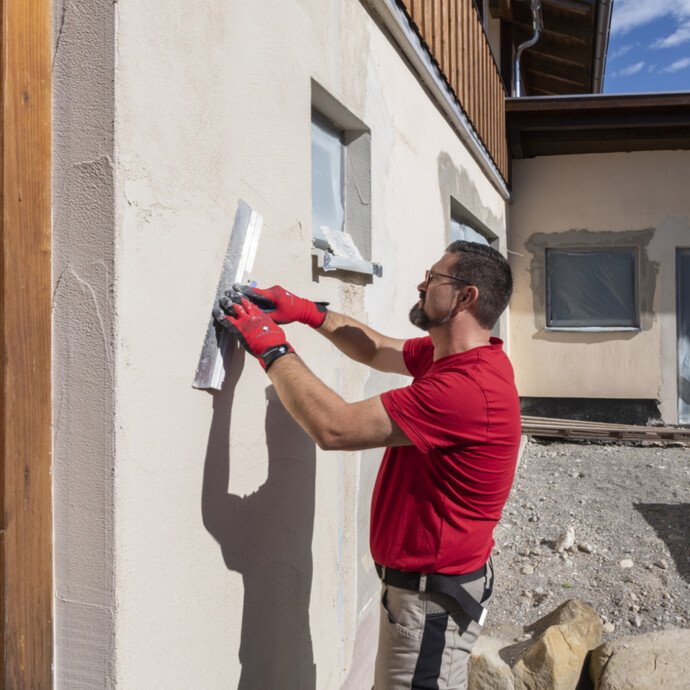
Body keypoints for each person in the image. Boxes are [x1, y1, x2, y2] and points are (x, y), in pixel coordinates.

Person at [214, 240, 521, 690]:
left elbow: (334, 428)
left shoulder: (466, 388)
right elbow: (375, 348)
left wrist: (271, 347)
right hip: (420, 593)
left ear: (465, 296)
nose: (422, 284)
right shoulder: (453, 359)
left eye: (434, 278)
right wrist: (306, 311)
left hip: (430, 600)